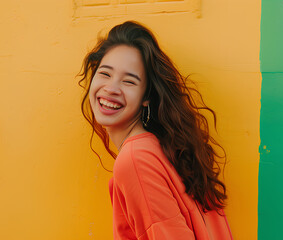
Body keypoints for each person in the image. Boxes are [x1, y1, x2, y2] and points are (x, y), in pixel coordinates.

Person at [78, 21, 233, 240]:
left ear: (146, 97)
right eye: (105, 73)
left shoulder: (135, 161)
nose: (111, 88)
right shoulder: (164, 149)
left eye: (129, 81)